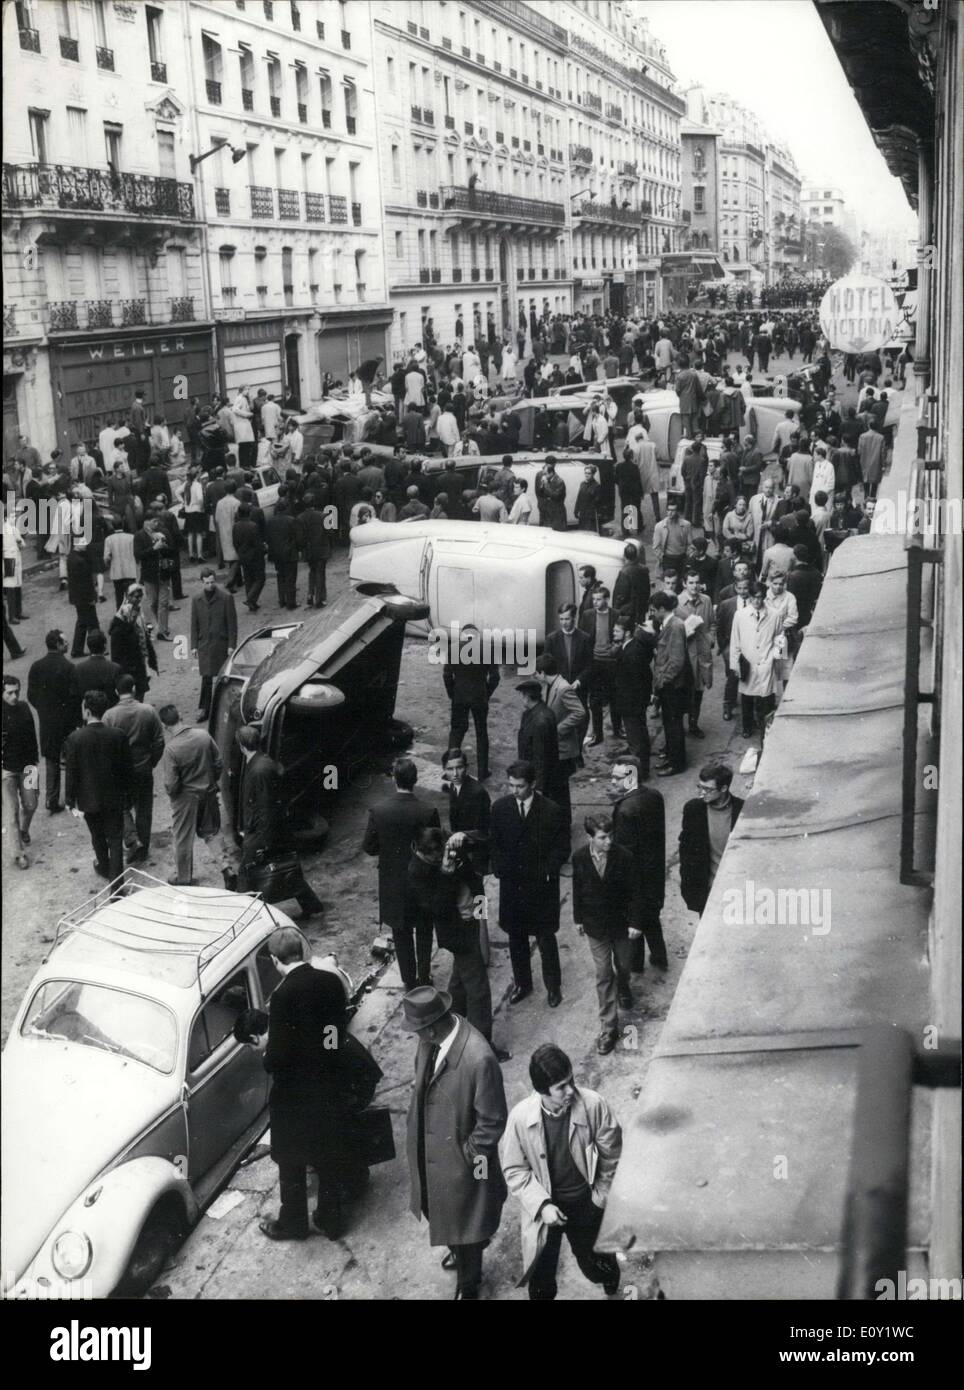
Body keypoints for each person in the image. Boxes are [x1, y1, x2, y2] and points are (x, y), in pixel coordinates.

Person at [404, 984, 508, 1300]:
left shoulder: (478, 1058)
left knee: (468, 1223)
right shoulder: (432, 1042)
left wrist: (468, 1157)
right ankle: (463, 1250)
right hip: (431, 1152)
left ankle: (469, 1284)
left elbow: (492, 1121)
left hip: (464, 1165)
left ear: (432, 1028)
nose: (416, 1037)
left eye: (418, 1030)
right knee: (441, 1212)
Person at [257, 927, 361, 1241]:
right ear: (302, 953)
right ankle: (331, 1219)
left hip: (294, 1093)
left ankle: (293, 1222)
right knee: (328, 1154)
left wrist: (267, 1059)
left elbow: (277, 1055)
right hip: (329, 1081)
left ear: (276, 960)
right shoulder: (329, 982)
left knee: (290, 1160)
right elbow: (335, 1031)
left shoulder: (281, 996)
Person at [500, 1045, 622, 1301]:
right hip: (546, 1209)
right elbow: (514, 1169)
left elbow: (612, 1158)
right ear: (542, 1091)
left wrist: (598, 1201)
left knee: (597, 1265)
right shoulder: (520, 1119)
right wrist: (542, 1205)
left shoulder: (594, 1106)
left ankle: (610, 1280)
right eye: (561, 1087)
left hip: (586, 1205)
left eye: (571, 1081)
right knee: (541, 1279)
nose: (571, 1091)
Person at [489, 760, 569, 1008]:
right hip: (513, 887)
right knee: (516, 939)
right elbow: (495, 843)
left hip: (541, 887)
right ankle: (523, 983)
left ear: (533, 784)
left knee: (546, 939)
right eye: (511, 785)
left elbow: (562, 847)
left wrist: (549, 870)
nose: (514, 791)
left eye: (520, 786)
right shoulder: (500, 808)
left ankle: (553, 987)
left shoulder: (552, 810)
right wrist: (499, 868)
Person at [406, 826, 494, 1042]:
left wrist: (466, 836)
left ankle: (450, 1026)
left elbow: (488, 837)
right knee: (478, 989)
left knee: (459, 981)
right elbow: (437, 908)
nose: (443, 858)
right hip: (459, 932)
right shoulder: (417, 872)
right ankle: (482, 1043)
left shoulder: (447, 847)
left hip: (474, 915)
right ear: (424, 852)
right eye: (436, 857)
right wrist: (445, 874)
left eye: (443, 852)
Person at [363, 758, 440, 988]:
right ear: (415, 780)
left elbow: (369, 846)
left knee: (402, 935)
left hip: (393, 885)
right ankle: (425, 977)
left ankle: (409, 982)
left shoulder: (379, 810)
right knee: (425, 931)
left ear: (395, 779)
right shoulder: (428, 811)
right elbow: (436, 847)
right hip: (423, 883)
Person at [231, 725, 323, 917]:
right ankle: (312, 906)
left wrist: (256, 835)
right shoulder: (263, 763)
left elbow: (264, 807)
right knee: (289, 872)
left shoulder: (258, 770)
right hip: (271, 830)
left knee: (247, 874)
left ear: (242, 746)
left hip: (262, 833)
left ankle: (242, 915)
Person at [572, 816, 640, 1054]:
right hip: (595, 927)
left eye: (611, 835)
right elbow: (578, 889)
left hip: (621, 926)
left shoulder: (625, 857)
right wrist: (578, 918)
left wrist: (635, 922)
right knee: (603, 974)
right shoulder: (580, 857)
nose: (609, 841)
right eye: (602, 837)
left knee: (623, 965)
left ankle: (623, 986)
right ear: (590, 838)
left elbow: (635, 893)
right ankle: (609, 1028)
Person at [64, 689, 134, 885]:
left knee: (97, 836)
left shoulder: (74, 739)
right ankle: (117, 886)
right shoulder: (118, 735)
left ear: (86, 712)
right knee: (115, 839)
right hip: (114, 797)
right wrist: (128, 796)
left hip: (89, 799)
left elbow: (71, 773)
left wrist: (70, 800)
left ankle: (104, 867)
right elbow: (127, 769)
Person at [159, 703, 232, 887]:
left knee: (183, 838)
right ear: (180, 717)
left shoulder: (171, 749)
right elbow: (218, 762)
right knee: (212, 833)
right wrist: (211, 781)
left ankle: (183, 878)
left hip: (186, 800)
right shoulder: (203, 736)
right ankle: (227, 868)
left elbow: (171, 784)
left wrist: (175, 794)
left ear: (165, 726)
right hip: (208, 793)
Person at [609, 754, 667, 972]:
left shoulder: (625, 809)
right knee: (652, 917)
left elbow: (625, 852)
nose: (612, 781)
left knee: (634, 920)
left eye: (617, 777)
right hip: (654, 870)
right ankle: (660, 957)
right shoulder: (654, 796)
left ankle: (636, 964)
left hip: (636, 876)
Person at [102, 673, 164, 865]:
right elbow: (159, 741)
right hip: (144, 768)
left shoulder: (109, 716)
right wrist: (151, 761)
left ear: (115, 691)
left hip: (121, 772)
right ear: (134, 689)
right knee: (144, 808)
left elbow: (105, 747)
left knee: (121, 806)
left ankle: (131, 839)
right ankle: (142, 848)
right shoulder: (149, 711)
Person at [679, 763, 744, 915]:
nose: (701, 793)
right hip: (707, 892)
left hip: (735, 890)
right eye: (699, 787)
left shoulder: (742, 811)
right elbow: (685, 849)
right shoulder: (693, 809)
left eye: (707, 789)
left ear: (724, 788)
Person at [27, 630, 80, 815]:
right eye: (64, 642)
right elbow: (75, 697)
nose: (67, 644)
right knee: (71, 759)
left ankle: (51, 798)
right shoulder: (69, 668)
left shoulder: (36, 666)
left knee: (51, 759)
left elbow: (31, 696)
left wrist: (44, 710)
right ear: (57, 644)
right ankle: (72, 797)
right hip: (66, 722)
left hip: (47, 721)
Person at [534, 654, 585, 831]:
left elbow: (579, 712)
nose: (536, 677)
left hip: (563, 749)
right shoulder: (552, 686)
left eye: (537, 673)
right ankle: (561, 822)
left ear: (542, 672)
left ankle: (563, 824)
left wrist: (558, 730)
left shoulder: (563, 688)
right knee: (557, 789)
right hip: (557, 749)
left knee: (560, 790)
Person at [730, 582, 785, 741]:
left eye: (760, 598)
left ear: (764, 597)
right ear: (749, 597)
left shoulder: (774, 615)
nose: (757, 601)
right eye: (754, 598)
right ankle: (747, 726)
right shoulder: (740, 615)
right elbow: (735, 642)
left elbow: (780, 639)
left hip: (767, 662)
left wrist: (777, 661)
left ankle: (766, 726)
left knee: (767, 698)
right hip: (748, 662)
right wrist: (735, 665)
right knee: (747, 697)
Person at [443, 630, 499, 781]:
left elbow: (447, 675)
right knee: (481, 732)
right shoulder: (487, 649)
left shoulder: (453, 648)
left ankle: (450, 767)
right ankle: (482, 771)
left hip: (459, 696)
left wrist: (452, 693)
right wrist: (487, 693)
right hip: (479, 696)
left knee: (456, 731)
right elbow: (495, 677)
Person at [650, 591, 691, 777]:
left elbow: (677, 661)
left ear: (661, 609)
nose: (652, 614)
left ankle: (677, 763)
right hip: (668, 685)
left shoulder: (675, 626)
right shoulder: (667, 624)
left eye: (653, 610)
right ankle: (670, 757)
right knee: (668, 723)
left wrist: (662, 681)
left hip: (673, 686)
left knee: (674, 725)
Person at [2, 674, 39, 871]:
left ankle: (24, 830)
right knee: (11, 812)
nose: (15, 696)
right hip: (7, 771)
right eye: (10, 693)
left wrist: (35, 761)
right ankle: (18, 854)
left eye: (17, 691)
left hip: (28, 767)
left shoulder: (24, 708)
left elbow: (32, 734)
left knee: (31, 804)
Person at [190, 569, 237, 722]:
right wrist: (193, 645)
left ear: (215, 581)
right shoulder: (197, 599)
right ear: (202, 582)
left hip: (221, 644)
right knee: (206, 677)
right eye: (206, 583)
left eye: (212, 582)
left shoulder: (226, 598)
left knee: (224, 677)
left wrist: (231, 645)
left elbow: (232, 624)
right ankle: (204, 708)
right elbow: (194, 624)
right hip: (205, 644)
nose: (209, 585)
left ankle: (226, 707)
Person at [579, 584, 619, 749]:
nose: (595, 602)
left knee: (615, 698)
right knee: (594, 701)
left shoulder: (615, 615)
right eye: (594, 599)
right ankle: (598, 734)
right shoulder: (587, 615)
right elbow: (582, 638)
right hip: (594, 663)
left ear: (606, 599)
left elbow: (619, 637)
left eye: (599, 599)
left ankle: (617, 729)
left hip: (611, 663)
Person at [677, 570, 715, 741]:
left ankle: (693, 723)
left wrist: (711, 637)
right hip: (685, 653)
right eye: (691, 582)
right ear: (684, 583)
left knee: (699, 690)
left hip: (702, 653)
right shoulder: (677, 602)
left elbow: (712, 623)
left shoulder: (706, 600)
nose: (695, 586)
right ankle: (679, 724)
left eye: (697, 582)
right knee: (684, 690)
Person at [516, 677, 563, 803]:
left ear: (527, 696)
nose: (521, 699)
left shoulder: (539, 721)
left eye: (522, 695)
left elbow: (540, 756)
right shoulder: (537, 712)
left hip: (537, 777)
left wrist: (539, 786)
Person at [545, 602, 593, 702]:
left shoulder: (585, 638)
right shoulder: (552, 639)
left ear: (574, 618)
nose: (564, 623)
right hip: (557, 690)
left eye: (567, 619)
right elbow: (546, 666)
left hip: (578, 690)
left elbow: (590, 665)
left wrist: (579, 681)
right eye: (561, 619)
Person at [70, 629, 121, 710]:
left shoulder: (78, 669)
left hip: (90, 713)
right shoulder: (115, 668)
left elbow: (75, 696)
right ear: (104, 646)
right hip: (110, 712)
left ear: (89, 646)